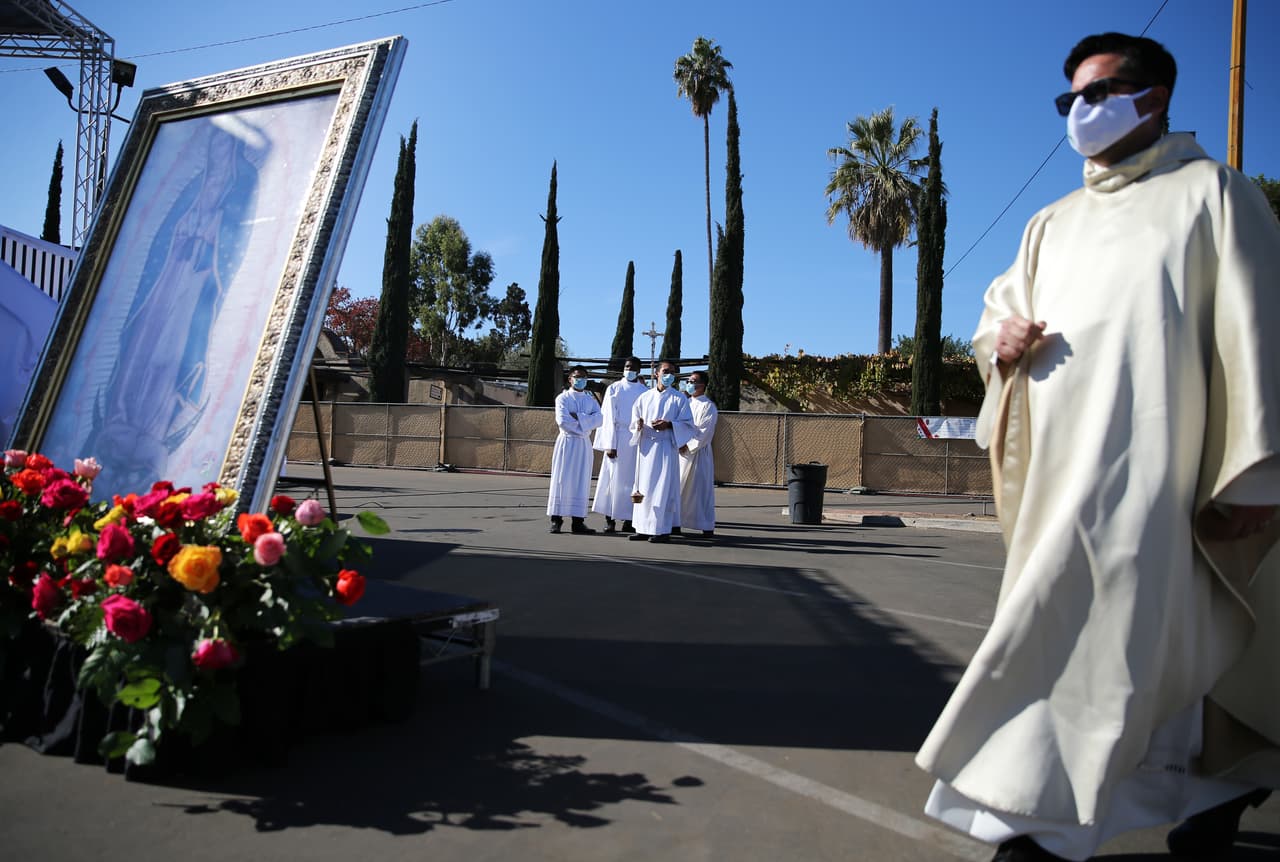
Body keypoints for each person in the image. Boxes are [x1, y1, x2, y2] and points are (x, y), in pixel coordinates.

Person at [915, 33, 1280, 862]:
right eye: (1069, 99)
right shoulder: (1051, 224)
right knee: (1096, 636)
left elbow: (1260, 336)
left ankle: (1037, 828)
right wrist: (997, 343)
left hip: (1166, 472)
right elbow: (994, 321)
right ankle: (1211, 794)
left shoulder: (1214, 196)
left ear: (1152, 98)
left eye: (1099, 92)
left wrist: (1254, 479)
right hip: (1059, 476)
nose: (1081, 111)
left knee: (1112, 638)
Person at [628, 360, 695, 543]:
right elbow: (634, 419)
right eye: (666, 371)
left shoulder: (679, 398)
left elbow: (689, 425)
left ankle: (661, 530)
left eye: (672, 373)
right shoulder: (644, 397)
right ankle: (642, 528)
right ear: (656, 373)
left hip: (665, 447)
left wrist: (670, 425)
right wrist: (638, 425)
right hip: (646, 448)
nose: (669, 375)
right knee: (643, 487)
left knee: (661, 489)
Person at [592, 356, 648, 533]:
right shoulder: (614, 388)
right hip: (617, 437)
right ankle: (610, 519)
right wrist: (609, 443)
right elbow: (607, 417)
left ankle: (630, 519)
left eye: (632, 367)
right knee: (612, 480)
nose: (629, 370)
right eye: (627, 367)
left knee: (633, 481)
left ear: (639, 370)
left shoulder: (644, 391)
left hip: (635, 440)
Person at [546, 366, 603, 535]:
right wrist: (586, 423)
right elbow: (563, 421)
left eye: (584, 377)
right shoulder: (562, 399)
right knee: (561, 479)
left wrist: (579, 418)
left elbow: (599, 419)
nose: (581, 380)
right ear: (570, 379)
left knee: (581, 480)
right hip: (567, 442)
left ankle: (578, 521)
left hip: (583, 444)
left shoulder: (590, 400)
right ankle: (556, 519)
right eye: (577, 377)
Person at [678, 370, 718, 537]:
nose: (689, 383)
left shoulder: (708, 406)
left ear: (702, 385)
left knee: (699, 490)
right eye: (688, 380)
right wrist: (679, 442)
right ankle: (676, 523)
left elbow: (704, 431)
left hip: (698, 453)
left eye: (693, 381)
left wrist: (688, 445)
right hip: (680, 453)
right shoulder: (684, 403)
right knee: (679, 488)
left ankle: (705, 524)